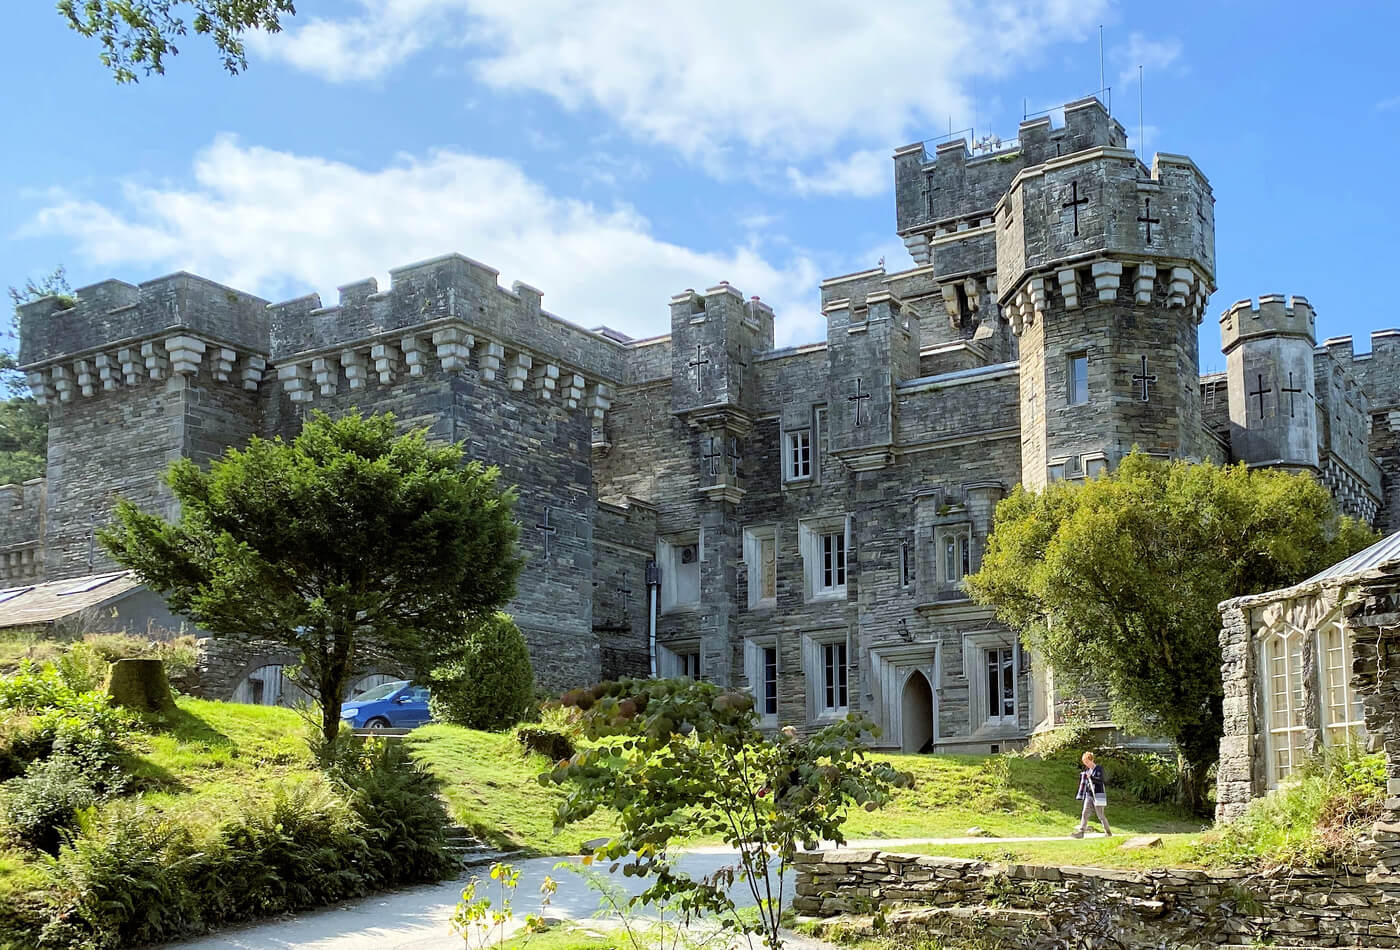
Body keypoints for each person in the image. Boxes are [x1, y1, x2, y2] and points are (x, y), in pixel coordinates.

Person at [1070, 751, 1111, 838]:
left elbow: (1100, 780)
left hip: (1098, 795)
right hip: (1089, 795)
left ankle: (1108, 832)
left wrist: (1091, 777)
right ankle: (1081, 832)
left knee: (1100, 815)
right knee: (1085, 812)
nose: (1086, 764)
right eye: (1085, 763)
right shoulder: (1088, 770)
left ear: (1091, 760)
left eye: (1087, 762)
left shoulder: (1098, 769)